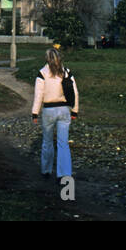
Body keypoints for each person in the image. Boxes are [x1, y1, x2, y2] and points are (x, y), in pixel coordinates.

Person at [31, 46, 79, 181]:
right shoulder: (67, 72)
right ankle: (64, 174)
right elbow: (75, 92)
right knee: (63, 143)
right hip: (64, 110)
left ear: (47, 59)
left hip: (48, 111)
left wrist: (35, 113)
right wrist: (75, 110)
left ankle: (46, 170)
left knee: (47, 141)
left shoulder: (42, 73)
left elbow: (38, 95)